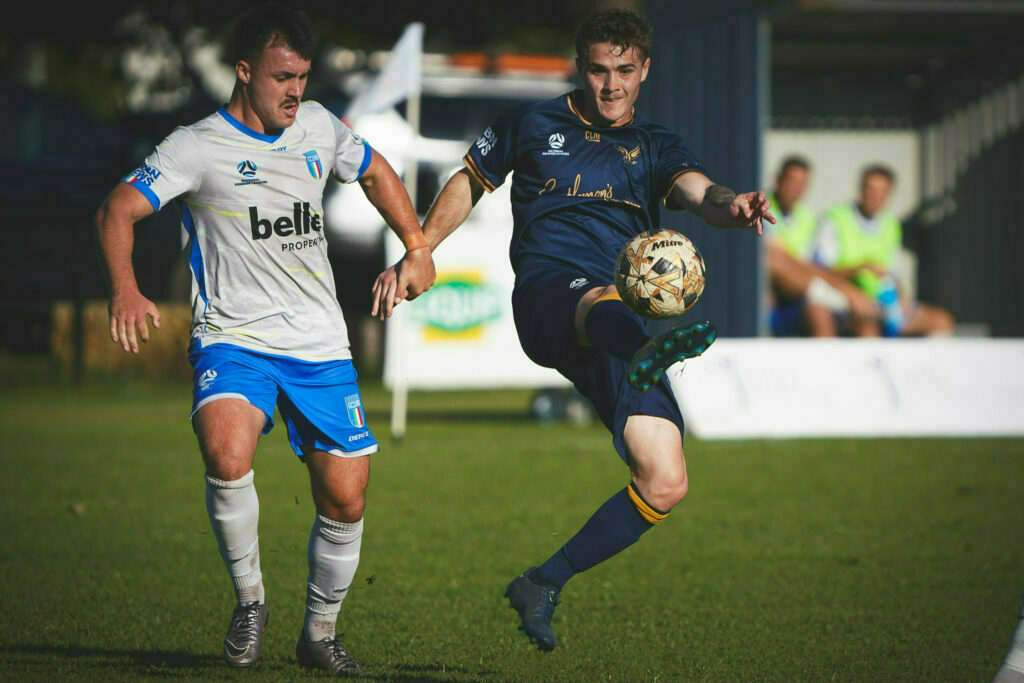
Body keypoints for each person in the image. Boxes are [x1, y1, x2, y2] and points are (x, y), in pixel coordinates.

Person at [372, 9, 773, 651]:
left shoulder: (656, 145)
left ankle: (543, 582)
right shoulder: (534, 123)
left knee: (665, 478)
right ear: (579, 66)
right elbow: (468, 182)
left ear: (645, 69)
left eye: (623, 71)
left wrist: (736, 204)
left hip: (617, 329)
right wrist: (421, 247)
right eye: (597, 70)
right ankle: (646, 347)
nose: (610, 85)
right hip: (550, 298)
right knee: (604, 295)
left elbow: (703, 194)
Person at [95, 4, 434, 675]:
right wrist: (126, 290)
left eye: (303, 77)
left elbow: (373, 170)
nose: (295, 91)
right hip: (234, 338)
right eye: (283, 77)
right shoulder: (195, 145)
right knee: (225, 449)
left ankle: (319, 634)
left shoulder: (316, 126)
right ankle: (250, 599)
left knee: (347, 495)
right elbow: (118, 208)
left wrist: (416, 244)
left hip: (318, 343)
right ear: (244, 72)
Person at [812, 165, 954, 337]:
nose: (875, 196)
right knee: (868, 329)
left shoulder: (891, 225)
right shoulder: (835, 219)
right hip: (846, 298)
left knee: (941, 322)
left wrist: (901, 298)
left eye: (882, 191)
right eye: (870, 189)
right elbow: (819, 271)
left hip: (884, 301)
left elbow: (893, 272)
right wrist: (860, 269)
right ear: (861, 189)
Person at [765, 156, 878, 336]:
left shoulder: (807, 218)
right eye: (792, 181)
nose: (797, 189)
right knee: (817, 310)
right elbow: (781, 263)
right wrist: (847, 290)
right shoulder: (762, 208)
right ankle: (841, 299)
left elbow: (810, 266)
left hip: (806, 292)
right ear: (778, 179)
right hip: (779, 299)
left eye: (802, 184)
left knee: (866, 324)